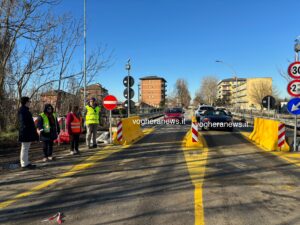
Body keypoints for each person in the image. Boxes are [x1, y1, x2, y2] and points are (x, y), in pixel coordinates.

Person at [18, 97, 39, 169]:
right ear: (26, 102)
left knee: (26, 148)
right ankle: (24, 164)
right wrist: (28, 131)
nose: (30, 103)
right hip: (25, 133)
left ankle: (26, 162)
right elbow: (23, 123)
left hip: (26, 132)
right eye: (29, 101)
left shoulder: (24, 110)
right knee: (24, 148)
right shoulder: (23, 110)